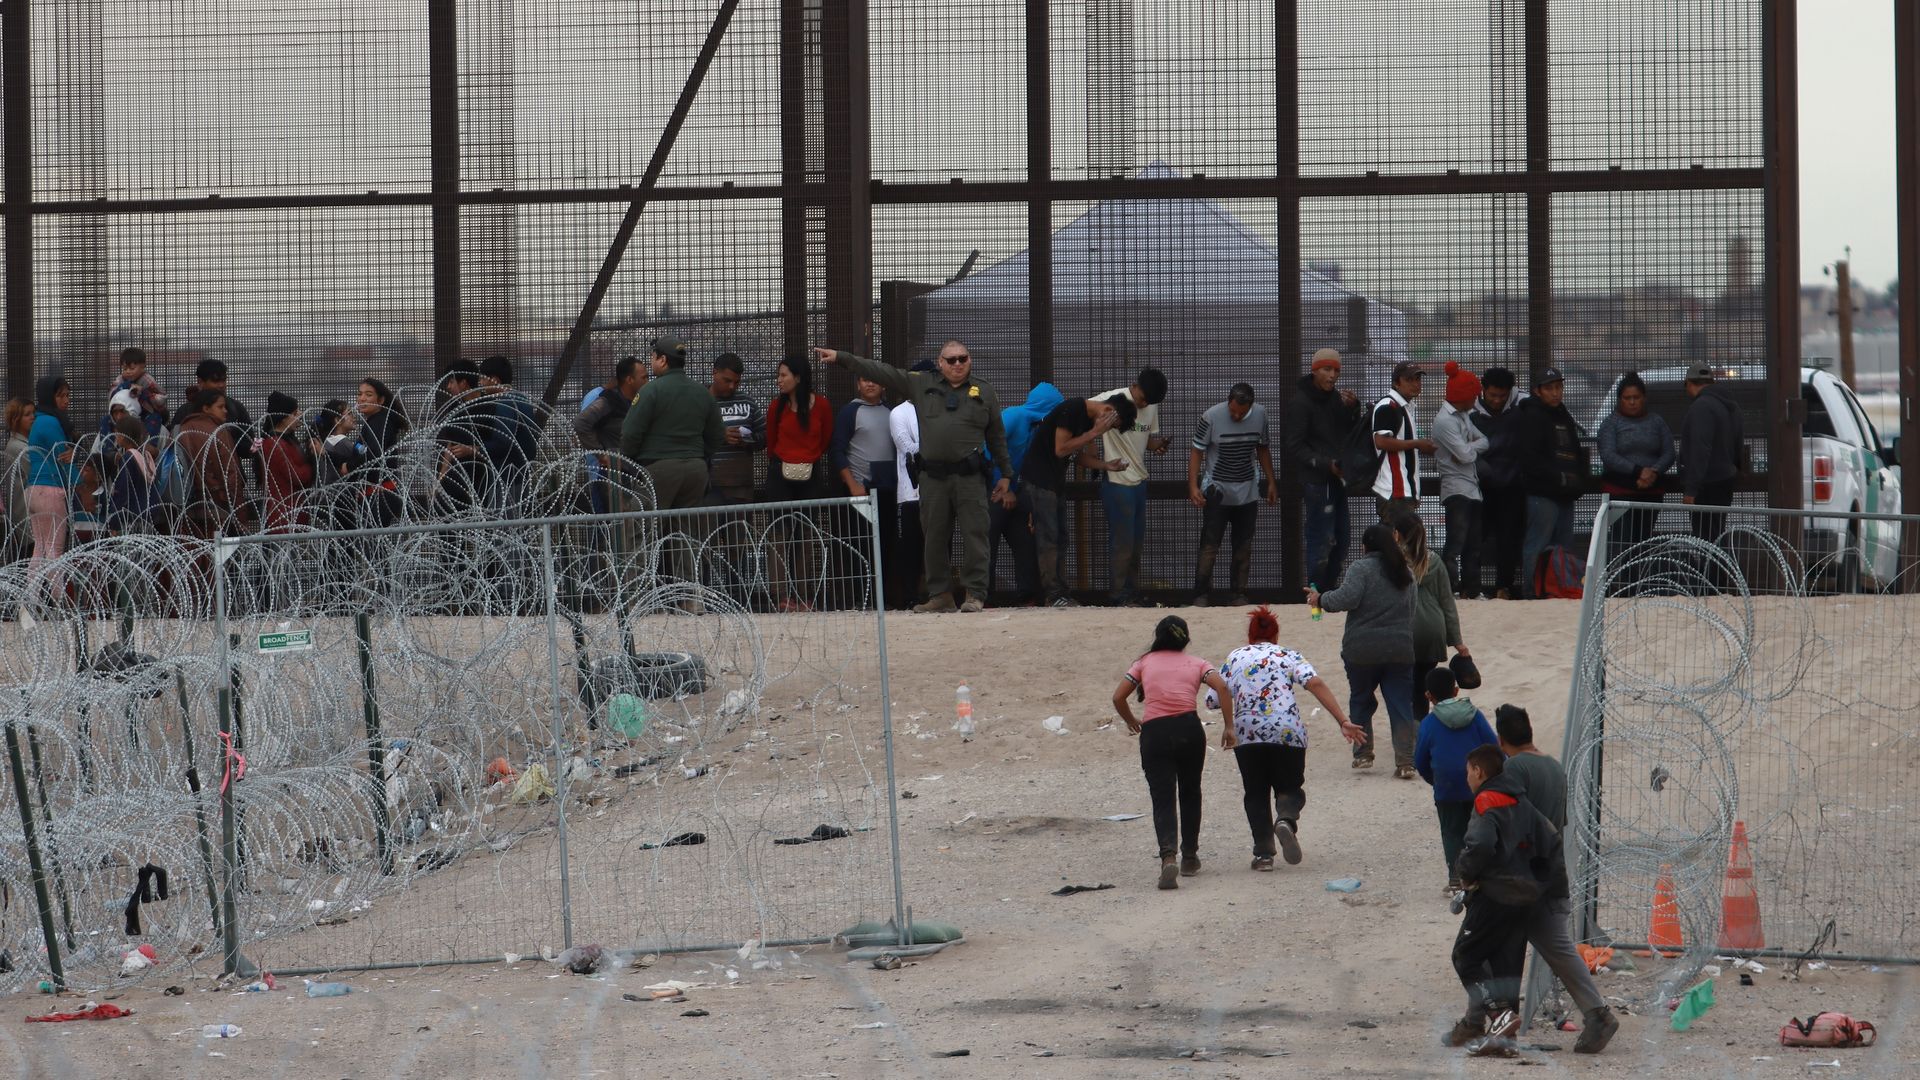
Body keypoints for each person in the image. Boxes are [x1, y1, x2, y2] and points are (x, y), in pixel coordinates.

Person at [817, 341, 1014, 614]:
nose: (958, 364)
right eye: (951, 360)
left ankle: (975, 594)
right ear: (940, 362)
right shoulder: (922, 384)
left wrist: (1005, 474)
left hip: (970, 477)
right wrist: (841, 356)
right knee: (933, 536)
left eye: (963, 359)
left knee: (975, 535)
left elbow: (997, 437)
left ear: (969, 360)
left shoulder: (984, 391)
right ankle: (940, 595)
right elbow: (882, 371)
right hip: (933, 477)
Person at [1492, 704, 1619, 1055]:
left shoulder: (1514, 767)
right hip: (1551, 871)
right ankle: (1597, 1014)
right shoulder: (1553, 766)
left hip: (1522, 875)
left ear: (1501, 739)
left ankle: (1499, 1028)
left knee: (1499, 949)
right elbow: (1557, 822)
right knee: (1560, 950)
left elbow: (1511, 821)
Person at [1210, 605, 1366, 870]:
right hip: (1287, 730)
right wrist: (1343, 720)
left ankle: (1263, 855)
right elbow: (1314, 683)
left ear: (1250, 635)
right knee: (1291, 787)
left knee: (1255, 792)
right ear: (1276, 635)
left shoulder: (1235, 657)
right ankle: (1286, 819)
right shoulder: (1288, 655)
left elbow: (1215, 698)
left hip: (1247, 734)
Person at [1445, 744, 1564, 1055]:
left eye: (1468, 771)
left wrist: (1465, 873)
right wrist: (1538, 878)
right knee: (1505, 964)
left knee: (1466, 956)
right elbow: (1551, 837)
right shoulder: (1520, 800)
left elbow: (1481, 843)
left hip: (1495, 891)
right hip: (1525, 895)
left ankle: (1499, 1016)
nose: (1467, 777)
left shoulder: (1486, 800)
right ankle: (1504, 1041)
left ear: (1479, 771)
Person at [1109, 615, 1234, 890]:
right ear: (1185, 639)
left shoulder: (1143, 663)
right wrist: (1229, 726)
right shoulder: (1198, 663)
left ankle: (1168, 858)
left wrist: (1131, 720)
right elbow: (1223, 687)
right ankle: (1190, 857)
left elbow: (1118, 697)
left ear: (1158, 636)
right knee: (1191, 792)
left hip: (1155, 733)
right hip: (1189, 729)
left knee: (1162, 797)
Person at [1306, 523, 1416, 773]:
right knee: (1400, 704)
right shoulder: (1405, 571)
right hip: (1400, 647)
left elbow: (1347, 598)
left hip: (1361, 649)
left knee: (1361, 698)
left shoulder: (1361, 568)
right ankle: (1405, 761)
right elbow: (1412, 611)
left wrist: (1320, 599)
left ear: (1365, 546)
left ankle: (1363, 753)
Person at [1022, 394, 1133, 607]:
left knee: (1061, 537)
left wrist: (1106, 465)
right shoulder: (1072, 410)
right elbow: (1060, 448)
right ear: (1109, 412)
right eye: (1111, 425)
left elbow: (1075, 454)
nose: (1107, 430)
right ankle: (1053, 594)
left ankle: (1061, 592)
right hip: (1040, 480)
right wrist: (1094, 433)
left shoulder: (1085, 420)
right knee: (1049, 537)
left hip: (1055, 482)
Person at [1189, 383, 1276, 606]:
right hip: (1217, 490)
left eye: (1242, 412)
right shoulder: (1210, 417)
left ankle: (1238, 592)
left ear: (1251, 406)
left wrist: (1271, 482)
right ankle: (1201, 593)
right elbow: (1197, 451)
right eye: (1233, 410)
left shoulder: (1261, 415)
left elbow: (1262, 448)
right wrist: (1193, 486)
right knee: (1210, 544)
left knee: (1243, 545)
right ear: (1228, 402)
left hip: (1247, 491)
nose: (1236, 415)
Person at [1284, 348, 1363, 591]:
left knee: (1342, 541)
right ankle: (1316, 596)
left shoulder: (1336, 399)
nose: (1332, 375)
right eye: (1327, 369)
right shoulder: (1301, 402)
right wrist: (1325, 463)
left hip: (1337, 479)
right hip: (1318, 481)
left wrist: (1353, 408)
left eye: (1336, 370)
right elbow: (1295, 445)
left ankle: (1327, 594)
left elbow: (1349, 433)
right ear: (1314, 370)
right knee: (1322, 541)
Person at [1413, 668, 1498, 890]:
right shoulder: (1475, 715)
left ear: (1428, 696)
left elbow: (1420, 760)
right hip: (1479, 783)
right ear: (1456, 690)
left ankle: (1456, 877)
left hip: (1446, 786)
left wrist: (1435, 780)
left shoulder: (1428, 724)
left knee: (1451, 831)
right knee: (1479, 828)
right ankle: (1480, 873)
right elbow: (1493, 746)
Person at [1396, 512, 1470, 765]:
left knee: (1403, 685)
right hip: (1433, 629)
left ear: (1397, 534)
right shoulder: (1434, 561)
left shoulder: (1393, 561)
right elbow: (1447, 602)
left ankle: (1407, 736)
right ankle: (1422, 732)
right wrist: (1457, 640)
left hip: (1403, 629)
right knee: (1423, 686)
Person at [619, 336, 725, 511]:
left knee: (644, 530)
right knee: (687, 531)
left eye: (653, 357)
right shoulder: (702, 392)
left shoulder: (651, 390)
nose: (651, 361)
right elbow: (718, 434)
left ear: (662, 360)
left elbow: (630, 433)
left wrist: (631, 460)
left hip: (660, 469)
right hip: (696, 470)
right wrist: (696, 453)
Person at [1097, 367, 1170, 606]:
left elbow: (1146, 439)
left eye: (1149, 402)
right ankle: (1118, 594)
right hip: (1117, 482)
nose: (1144, 404)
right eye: (1142, 399)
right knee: (1122, 542)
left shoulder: (1150, 405)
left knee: (1136, 543)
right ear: (1135, 386)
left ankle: (1131, 591)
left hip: (1139, 482)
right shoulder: (1112, 399)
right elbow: (1084, 409)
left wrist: (1158, 445)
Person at [987, 381, 1063, 606]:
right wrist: (1005, 488)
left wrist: (1031, 505)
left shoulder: (1042, 428)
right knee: (987, 543)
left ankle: (1027, 595)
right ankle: (985, 597)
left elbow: (1037, 467)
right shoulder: (1013, 416)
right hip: (993, 489)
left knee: (1025, 542)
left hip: (1020, 492)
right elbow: (989, 451)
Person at [1515, 368, 1588, 598]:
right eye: (1549, 388)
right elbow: (1530, 458)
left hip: (1566, 493)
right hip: (1542, 493)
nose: (1556, 393)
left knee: (1563, 547)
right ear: (1538, 391)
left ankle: (1557, 588)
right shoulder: (1532, 415)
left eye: (1559, 387)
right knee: (1537, 545)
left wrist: (1576, 480)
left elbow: (1575, 451)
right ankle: (1531, 592)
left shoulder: (1563, 414)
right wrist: (1559, 477)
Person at [830, 374, 901, 606]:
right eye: (864, 379)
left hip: (888, 491)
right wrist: (852, 485)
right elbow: (837, 451)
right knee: (860, 548)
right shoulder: (849, 412)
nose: (870, 384)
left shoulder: (892, 412)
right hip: (861, 492)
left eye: (875, 379)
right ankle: (860, 600)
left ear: (883, 384)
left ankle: (884, 600)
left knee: (886, 546)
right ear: (858, 384)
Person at [1596, 372, 1674, 574]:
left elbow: (1669, 452)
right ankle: (1619, 580)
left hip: (1651, 492)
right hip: (1620, 493)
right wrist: (1638, 472)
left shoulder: (1657, 422)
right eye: (1627, 398)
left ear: (1644, 398)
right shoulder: (1610, 423)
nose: (1632, 402)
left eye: (1636, 398)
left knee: (1645, 541)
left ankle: (1642, 580)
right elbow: (1608, 455)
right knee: (1622, 540)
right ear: (1619, 400)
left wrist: (1654, 472)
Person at [1433, 362, 1491, 599]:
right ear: (1464, 395)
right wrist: (1468, 449)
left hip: (1471, 487)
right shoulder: (1445, 421)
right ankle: (1450, 590)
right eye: (1474, 394)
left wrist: (1467, 448)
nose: (1476, 399)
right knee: (1455, 544)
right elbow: (1467, 453)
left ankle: (1471, 589)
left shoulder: (1464, 416)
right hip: (1456, 489)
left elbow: (1482, 442)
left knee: (1473, 544)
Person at [1471, 368, 1527, 599]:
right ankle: (1470, 586)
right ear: (1483, 390)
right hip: (1480, 485)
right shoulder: (1469, 410)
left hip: (1512, 486)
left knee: (1509, 539)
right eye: (1492, 395)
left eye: (1501, 396)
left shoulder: (1523, 404)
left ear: (1509, 392)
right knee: (1475, 538)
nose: (1496, 400)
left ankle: (1503, 586)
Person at [326, 377, 410, 527]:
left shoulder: (380, 423)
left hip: (379, 495)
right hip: (375, 494)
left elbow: (372, 455)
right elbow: (361, 454)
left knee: (372, 547)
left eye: (368, 394)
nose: (362, 398)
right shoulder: (374, 422)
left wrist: (349, 467)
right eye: (360, 394)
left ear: (381, 400)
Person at [1677, 361, 1742, 547]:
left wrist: (1691, 489)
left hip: (1706, 484)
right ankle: (1720, 573)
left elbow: (1700, 449)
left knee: (1704, 537)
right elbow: (1738, 442)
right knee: (1717, 534)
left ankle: (1709, 575)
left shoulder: (1701, 407)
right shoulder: (1731, 406)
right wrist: (1734, 468)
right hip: (1725, 480)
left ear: (1689, 383)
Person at [576, 355, 646, 514]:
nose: (647, 382)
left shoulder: (637, 403)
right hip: (612, 478)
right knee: (609, 530)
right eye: (644, 377)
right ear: (629, 380)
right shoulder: (607, 401)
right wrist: (601, 454)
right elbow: (581, 423)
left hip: (632, 474)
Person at [26, 377, 78, 580]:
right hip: (50, 490)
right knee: (55, 550)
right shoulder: (50, 421)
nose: (66, 400)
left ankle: (31, 603)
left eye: (67, 395)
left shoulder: (40, 420)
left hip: (35, 489)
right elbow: (63, 458)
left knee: (40, 548)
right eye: (60, 395)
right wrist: (82, 487)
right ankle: (59, 605)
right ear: (49, 397)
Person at [1371, 361, 1433, 521]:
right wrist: (1417, 444)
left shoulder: (1405, 407)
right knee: (1397, 543)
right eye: (1409, 380)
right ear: (1396, 383)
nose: (1416, 384)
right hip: (1394, 492)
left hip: (1402, 493)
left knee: (1402, 543)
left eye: (1418, 379)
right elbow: (1381, 442)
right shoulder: (1388, 406)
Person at [172, 359, 255, 478]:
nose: (221, 385)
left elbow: (248, 446)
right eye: (215, 381)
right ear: (200, 382)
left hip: (228, 477)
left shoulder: (235, 408)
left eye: (224, 380)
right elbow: (176, 447)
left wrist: (231, 439)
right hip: (195, 479)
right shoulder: (186, 411)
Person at [887, 384, 928, 609]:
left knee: (939, 545)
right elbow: (908, 447)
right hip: (909, 494)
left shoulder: (939, 409)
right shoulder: (899, 412)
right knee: (909, 548)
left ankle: (936, 594)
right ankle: (910, 596)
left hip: (938, 493)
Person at [435, 361, 492, 512]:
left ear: (464, 383)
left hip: (482, 477)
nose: (448, 387)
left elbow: (499, 443)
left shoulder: (489, 406)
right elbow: (450, 444)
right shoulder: (455, 407)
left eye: (452, 382)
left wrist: (473, 450)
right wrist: (441, 477)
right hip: (456, 476)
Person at [708, 352, 764, 505]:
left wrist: (747, 440)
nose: (732, 386)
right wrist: (720, 436)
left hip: (741, 485)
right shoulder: (700, 401)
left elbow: (764, 437)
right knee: (709, 527)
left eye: (736, 382)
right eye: (727, 380)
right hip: (708, 484)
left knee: (739, 528)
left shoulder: (747, 403)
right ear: (714, 373)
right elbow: (689, 437)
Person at [259, 392, 314, 533]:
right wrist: (313, 459)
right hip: (284, 515)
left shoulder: (285, 441)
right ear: (283, 418)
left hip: (292, 511)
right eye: (295, 413)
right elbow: (297, 476)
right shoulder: (275, 444)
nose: (300, 415)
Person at [101, 347, 168, 442]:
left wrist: (144, 393)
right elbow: (111, 394)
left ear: (143, 366)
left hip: (144, 414)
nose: (128, 371)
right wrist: (125, 386)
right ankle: (108, 449)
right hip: (125, 414)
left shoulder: (147, 380)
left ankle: (149, 445)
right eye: (125, 368)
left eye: (132, 368)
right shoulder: (121, 379)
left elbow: (162, 398)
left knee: (155, 419)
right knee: (106, 420)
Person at [1, 397, 33, 562]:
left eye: (33, 413)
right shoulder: (18, 448)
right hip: (26, 517)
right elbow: (35, 470)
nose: (32, 417)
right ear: (16, 419)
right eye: (27, 414)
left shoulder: (24, 444)